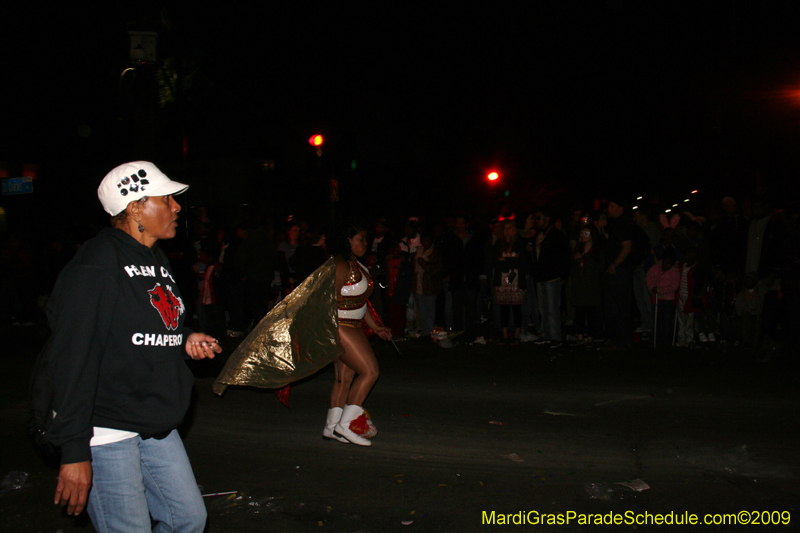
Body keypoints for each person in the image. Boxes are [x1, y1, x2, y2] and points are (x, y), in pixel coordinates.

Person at [46, 161, 221, 532]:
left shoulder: (154, 259)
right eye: (167, 198)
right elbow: (72, 357)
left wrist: (185, 336)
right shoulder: (96, 265)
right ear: (135, 207)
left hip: (154, 421)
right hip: (107, 428)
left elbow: (148, 320)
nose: (176, 207)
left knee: (188, 519)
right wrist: (74, 450)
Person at [323, 224, 392, 446]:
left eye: (365, 239)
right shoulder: (341, 264)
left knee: (344, 378)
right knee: (371, 371)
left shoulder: (356, 265)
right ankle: (345, 425)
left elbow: (361, 303)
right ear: (346, 240)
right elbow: (327, 301)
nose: (364, 243)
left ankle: (331, 427)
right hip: (341, 326)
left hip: (352, 325)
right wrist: (331, 332)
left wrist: (376, 326)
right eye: (359, 239)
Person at [492, 220, 528, 344]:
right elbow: (496, 262)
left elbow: (521, 262)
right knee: (504, 308)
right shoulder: (499, 244)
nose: (507, 232)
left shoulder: (520, 243)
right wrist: (511, 261)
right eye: (505, 229)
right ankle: (504, 334)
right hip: (503, 281)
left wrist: (505, 260)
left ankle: (517, 334)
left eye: (509, 228)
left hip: (516, 281)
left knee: (517, 307)